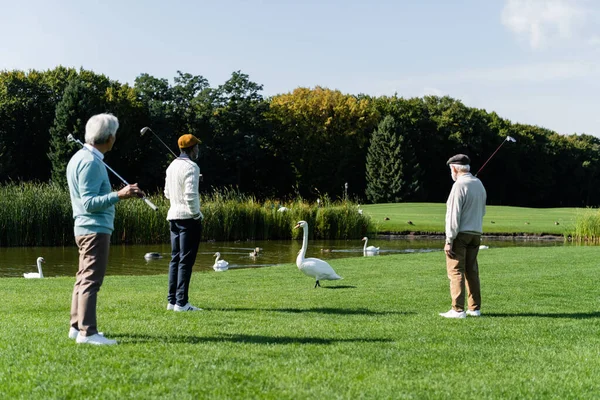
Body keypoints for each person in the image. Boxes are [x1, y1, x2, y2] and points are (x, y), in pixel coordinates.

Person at [66, 113, 142, 345]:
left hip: (86, 228)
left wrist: (118, 194)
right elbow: (89, 203)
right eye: (115, 134)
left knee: (83, 278)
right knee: (91, 280)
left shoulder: (80, 158)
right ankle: (88, 333)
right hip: (94, 229)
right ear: (109, 137)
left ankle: (76, 326)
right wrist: (120, 195)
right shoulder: (90, 162)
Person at [440, 154, 487, 319]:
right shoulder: (479, 184)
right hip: (476, 233)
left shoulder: (459, 185)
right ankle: (474, 308)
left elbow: (453, 216)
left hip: (460, 234)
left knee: (456, 271)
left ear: (454, 168)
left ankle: (457, 309)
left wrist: (449, 240)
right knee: (471, 271)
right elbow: (483, 211)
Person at [164, 134, 203, 311]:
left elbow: (167, 193)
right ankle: (182, 303)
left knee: (176, 259)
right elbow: (190, 196)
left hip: (173, 216)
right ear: (192, 148)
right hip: (188, 219)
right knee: (185, 261)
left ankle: (172, 301)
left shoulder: (171, 166)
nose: (198, 150)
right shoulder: (192, 167)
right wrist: (197, 215)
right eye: (197, 147)